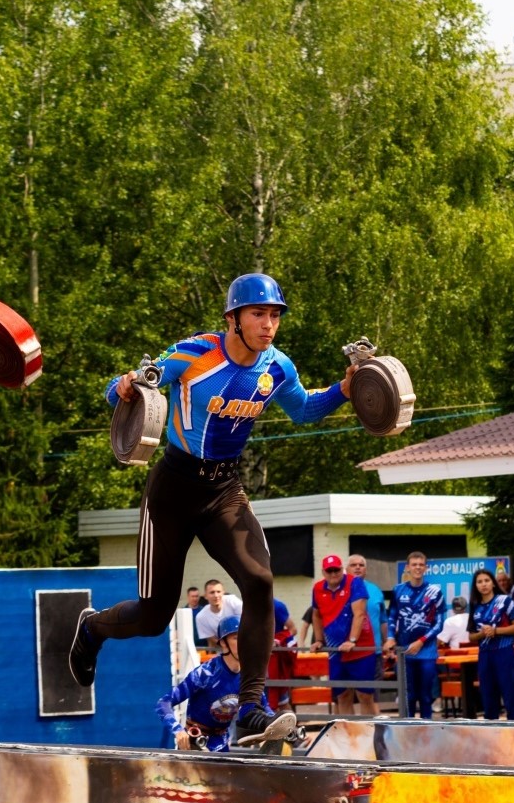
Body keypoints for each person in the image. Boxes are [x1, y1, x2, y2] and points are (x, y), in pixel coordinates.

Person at [72, 273, 352, 747]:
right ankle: (93, 627)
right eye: (259, 314)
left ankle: (251, 707)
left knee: (260, 581)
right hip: (173, 490)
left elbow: (304, 409)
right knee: (154, 614)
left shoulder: (277, 367)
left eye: (275, 315)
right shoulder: (192, 354)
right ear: (233, 319)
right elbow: (127, 391)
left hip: (224, 489)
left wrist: (346, 388)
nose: (269, 324)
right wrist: (118, 389)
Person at [156, 614, 250, 751]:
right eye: (236, 638)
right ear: (223, 643)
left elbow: (263, 710)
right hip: (195, 745)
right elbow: (163, 703)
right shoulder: (205, 673)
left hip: (223, 745)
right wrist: (178, 730)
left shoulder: (249, 676)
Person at [313, 554, 378, 715]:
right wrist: (319, 639)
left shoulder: (354, 583)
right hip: (335, 652)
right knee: (342, 695)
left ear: (342, 569)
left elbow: (360, 613)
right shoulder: (317, 588)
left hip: (360, 650)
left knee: (365, 695)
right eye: (329, 571)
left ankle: (369, 735)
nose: (333, 574)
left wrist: (352, 640)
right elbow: (316, 615)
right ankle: (349, 736)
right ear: (323, 572)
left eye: (336, 570)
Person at [385, 552, 447, 719]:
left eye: (421, 564)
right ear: (407, 567)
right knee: (408, 696)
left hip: (427, 651)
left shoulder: (435, 592)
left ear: (426, 568)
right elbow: (392, 616)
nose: (418, 567)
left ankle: (427, 731)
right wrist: (390, 636)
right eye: (414, 564)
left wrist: (421, 641)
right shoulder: (398, 590)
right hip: (405, 651)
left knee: (426, 696)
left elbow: (440, 623)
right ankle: (409, 730)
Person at [468, 570, 514, 721]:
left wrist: (496, 631)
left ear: (493, 583)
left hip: (504, 653)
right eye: (479, 582)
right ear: (476, 586)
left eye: (486, 580)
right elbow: (471, 636)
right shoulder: (474, 606)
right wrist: (482, 634)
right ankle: (491, 739)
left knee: (510, 699)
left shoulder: (504, 601)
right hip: (485, 655)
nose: (483, 584)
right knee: (488, 700)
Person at [192, 579, 243, 646]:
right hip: (222, 648)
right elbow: (211, 639)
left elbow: (247, 621)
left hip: (243, 642)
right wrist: (228, 646)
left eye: (218, 592)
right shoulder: (201, 617)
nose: (216, 595)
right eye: (212, 592)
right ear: (205, 596)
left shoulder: (233, 601)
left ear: (223, 593)